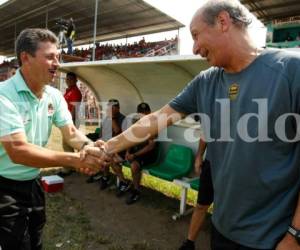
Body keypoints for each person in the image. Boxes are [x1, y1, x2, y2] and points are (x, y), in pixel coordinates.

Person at [83, 0, 300, 249]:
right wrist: (107, 147)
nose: (195, 48)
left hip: (274, 239)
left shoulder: (291, 71)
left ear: (222, 22)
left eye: (196, 36)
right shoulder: (205, 82)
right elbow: (155, 120)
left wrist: (295, 235)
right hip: (222, 229)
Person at [0, 28, 99, 250]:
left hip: (33, 183)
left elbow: (71, 133)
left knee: (36, 239)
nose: (57, 63)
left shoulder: (53, 95)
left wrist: (92, 148)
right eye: (50, 57)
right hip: (4, 186)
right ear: (26, 58)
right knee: (16, 244)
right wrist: (75, 160)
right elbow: (18, 150)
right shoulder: (3, 95)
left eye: (58, 57)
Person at [116, 102, 158, 204]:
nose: (143, 115)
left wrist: (134, 155)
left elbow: (151, 146)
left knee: (134, 165)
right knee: (114, 156)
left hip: (149, 154)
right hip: (135, 150)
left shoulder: (154, 125)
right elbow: (131, 139)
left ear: (149, 112)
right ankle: (124, 183)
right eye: (140, 112)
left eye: (145, 112)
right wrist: (127, 152)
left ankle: (136, 191)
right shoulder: (136, 123)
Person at [179, 139, 213, 250]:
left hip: (238, 166)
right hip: (212, 163)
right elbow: (206, 132)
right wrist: (199, 156)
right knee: (201, 205)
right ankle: (189, 243)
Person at [59, 71, 82, 176]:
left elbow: (74, 108)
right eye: (67, 79)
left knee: (67, 144)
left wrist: (70, 123)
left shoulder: (75, 92)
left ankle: (69, 168)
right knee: (69, 144)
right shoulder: (69, 91)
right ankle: (72, 165)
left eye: (70, 79)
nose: (68, 81)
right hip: (67, 121)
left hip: (70, 121)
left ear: (75, 80)